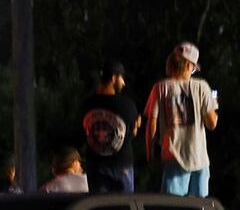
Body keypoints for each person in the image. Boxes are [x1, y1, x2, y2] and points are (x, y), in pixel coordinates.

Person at [144, 42, 218, 197]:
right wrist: (214, 104)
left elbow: (152, 123)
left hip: (173, 156)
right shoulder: (202, 87)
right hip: (199, 158)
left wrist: (151, 153)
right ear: (190, 66)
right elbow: (212, 124)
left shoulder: (160, 87)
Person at [79, 61, 140, 193]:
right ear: (114, 78)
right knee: (125, 209)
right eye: (122, 78)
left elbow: (83, 131)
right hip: (122, 164)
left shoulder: (87, 104)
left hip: (96, 166)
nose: (123, 83)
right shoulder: (127, 105)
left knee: (100, 209)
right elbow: (133, 133)